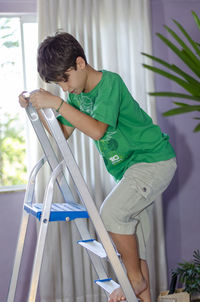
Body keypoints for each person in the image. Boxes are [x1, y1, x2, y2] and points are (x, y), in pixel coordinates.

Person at [19, 32, 177, 302]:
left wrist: (56, 103)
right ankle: (139, 284)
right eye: (58, 85)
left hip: (153, 160)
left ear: (80, 63)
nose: (65, 88)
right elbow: (62, 133)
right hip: (130, 171)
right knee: (134, 249)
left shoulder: (109, 83)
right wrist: (34, 109)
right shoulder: (77, 98)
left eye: (65, 79)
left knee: (112, 214)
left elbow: (96, 130)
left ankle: (134, 281)